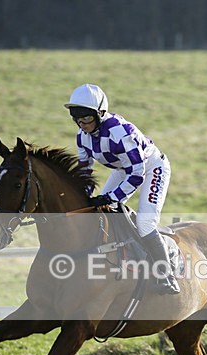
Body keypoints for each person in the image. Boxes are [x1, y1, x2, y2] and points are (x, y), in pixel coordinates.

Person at [64, 83, 179, 295]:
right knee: (100, 212)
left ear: (100, 113)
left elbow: (137, 175)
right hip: (123, 168)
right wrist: (83, 197)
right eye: (76, 117)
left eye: (87, 117)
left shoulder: (120, 132)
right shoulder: (81, 136)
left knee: (145, 222)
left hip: (151, 167)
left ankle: (167, 275)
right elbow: (84, 172)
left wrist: (109, 197)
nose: (81, 123)